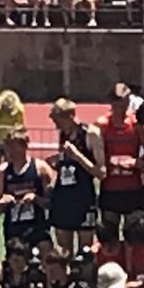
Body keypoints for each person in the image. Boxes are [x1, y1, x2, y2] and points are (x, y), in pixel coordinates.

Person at [48, 98, 104, 254]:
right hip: (63, 197)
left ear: (69, 117)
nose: (56, 125)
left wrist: (77, 156)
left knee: (85, 251)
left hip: (83, 198)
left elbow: (101, 172)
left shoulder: (91, 134)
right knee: (63, 251)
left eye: (58, 120)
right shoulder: (63, 135)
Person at [0, 130, 55, 250]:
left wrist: (36, 199)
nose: (11, 151)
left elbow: (52, 202)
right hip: (13, 227)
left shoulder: (40, 167)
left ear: (24, 147)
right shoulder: (2, 171)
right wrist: (3, 201)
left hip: (37, 226)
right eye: (8, 147)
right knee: (15, 262)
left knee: (45, 255)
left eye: (14, 147)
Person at [97, 82, 144, 219]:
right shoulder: (102, 125)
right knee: (110, 229)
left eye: (123, 103)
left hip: (133, 187)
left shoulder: (136, 124)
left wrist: (139, 162)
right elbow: (96, 154)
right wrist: (112, 162)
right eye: (116, 104)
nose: (120, 108)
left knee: (133, 230)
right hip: (111, 187)